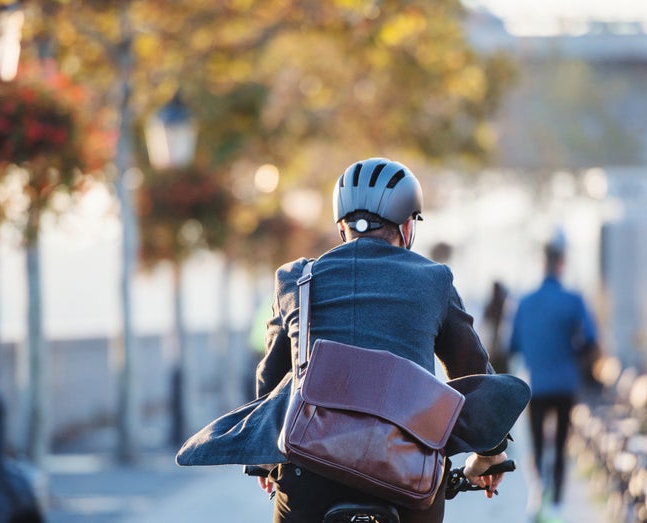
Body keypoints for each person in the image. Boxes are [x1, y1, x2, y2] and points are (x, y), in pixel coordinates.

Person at [175, 157, 530, 523]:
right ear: (408, 227)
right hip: (408, 473)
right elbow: (473, 374)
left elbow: (271, 380)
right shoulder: (433, 280)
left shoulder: (297, 279)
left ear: (342, 227)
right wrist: (490, 454)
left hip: (308, 471)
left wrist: (267, 458)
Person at [509, 240, 598, 522]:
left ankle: (537, 494)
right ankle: (557, 504)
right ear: (561, 265)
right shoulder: (573, 300)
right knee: (560, 445)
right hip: (565, 384)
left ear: (542, 263)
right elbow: (591, 340)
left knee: (536, 444)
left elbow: (513, 345)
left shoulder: (524, 302)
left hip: (535, 384)